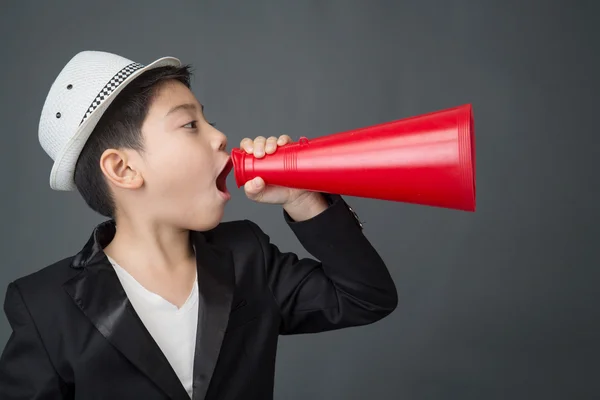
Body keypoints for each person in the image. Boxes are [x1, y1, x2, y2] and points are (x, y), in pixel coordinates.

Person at [0, 51, 397, 400]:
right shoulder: (45, 306)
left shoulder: (247, 255)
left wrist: (303, 199)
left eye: (206, 119)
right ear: (123, 169)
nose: (220, 136)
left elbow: (367, 298)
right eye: (190, 125)